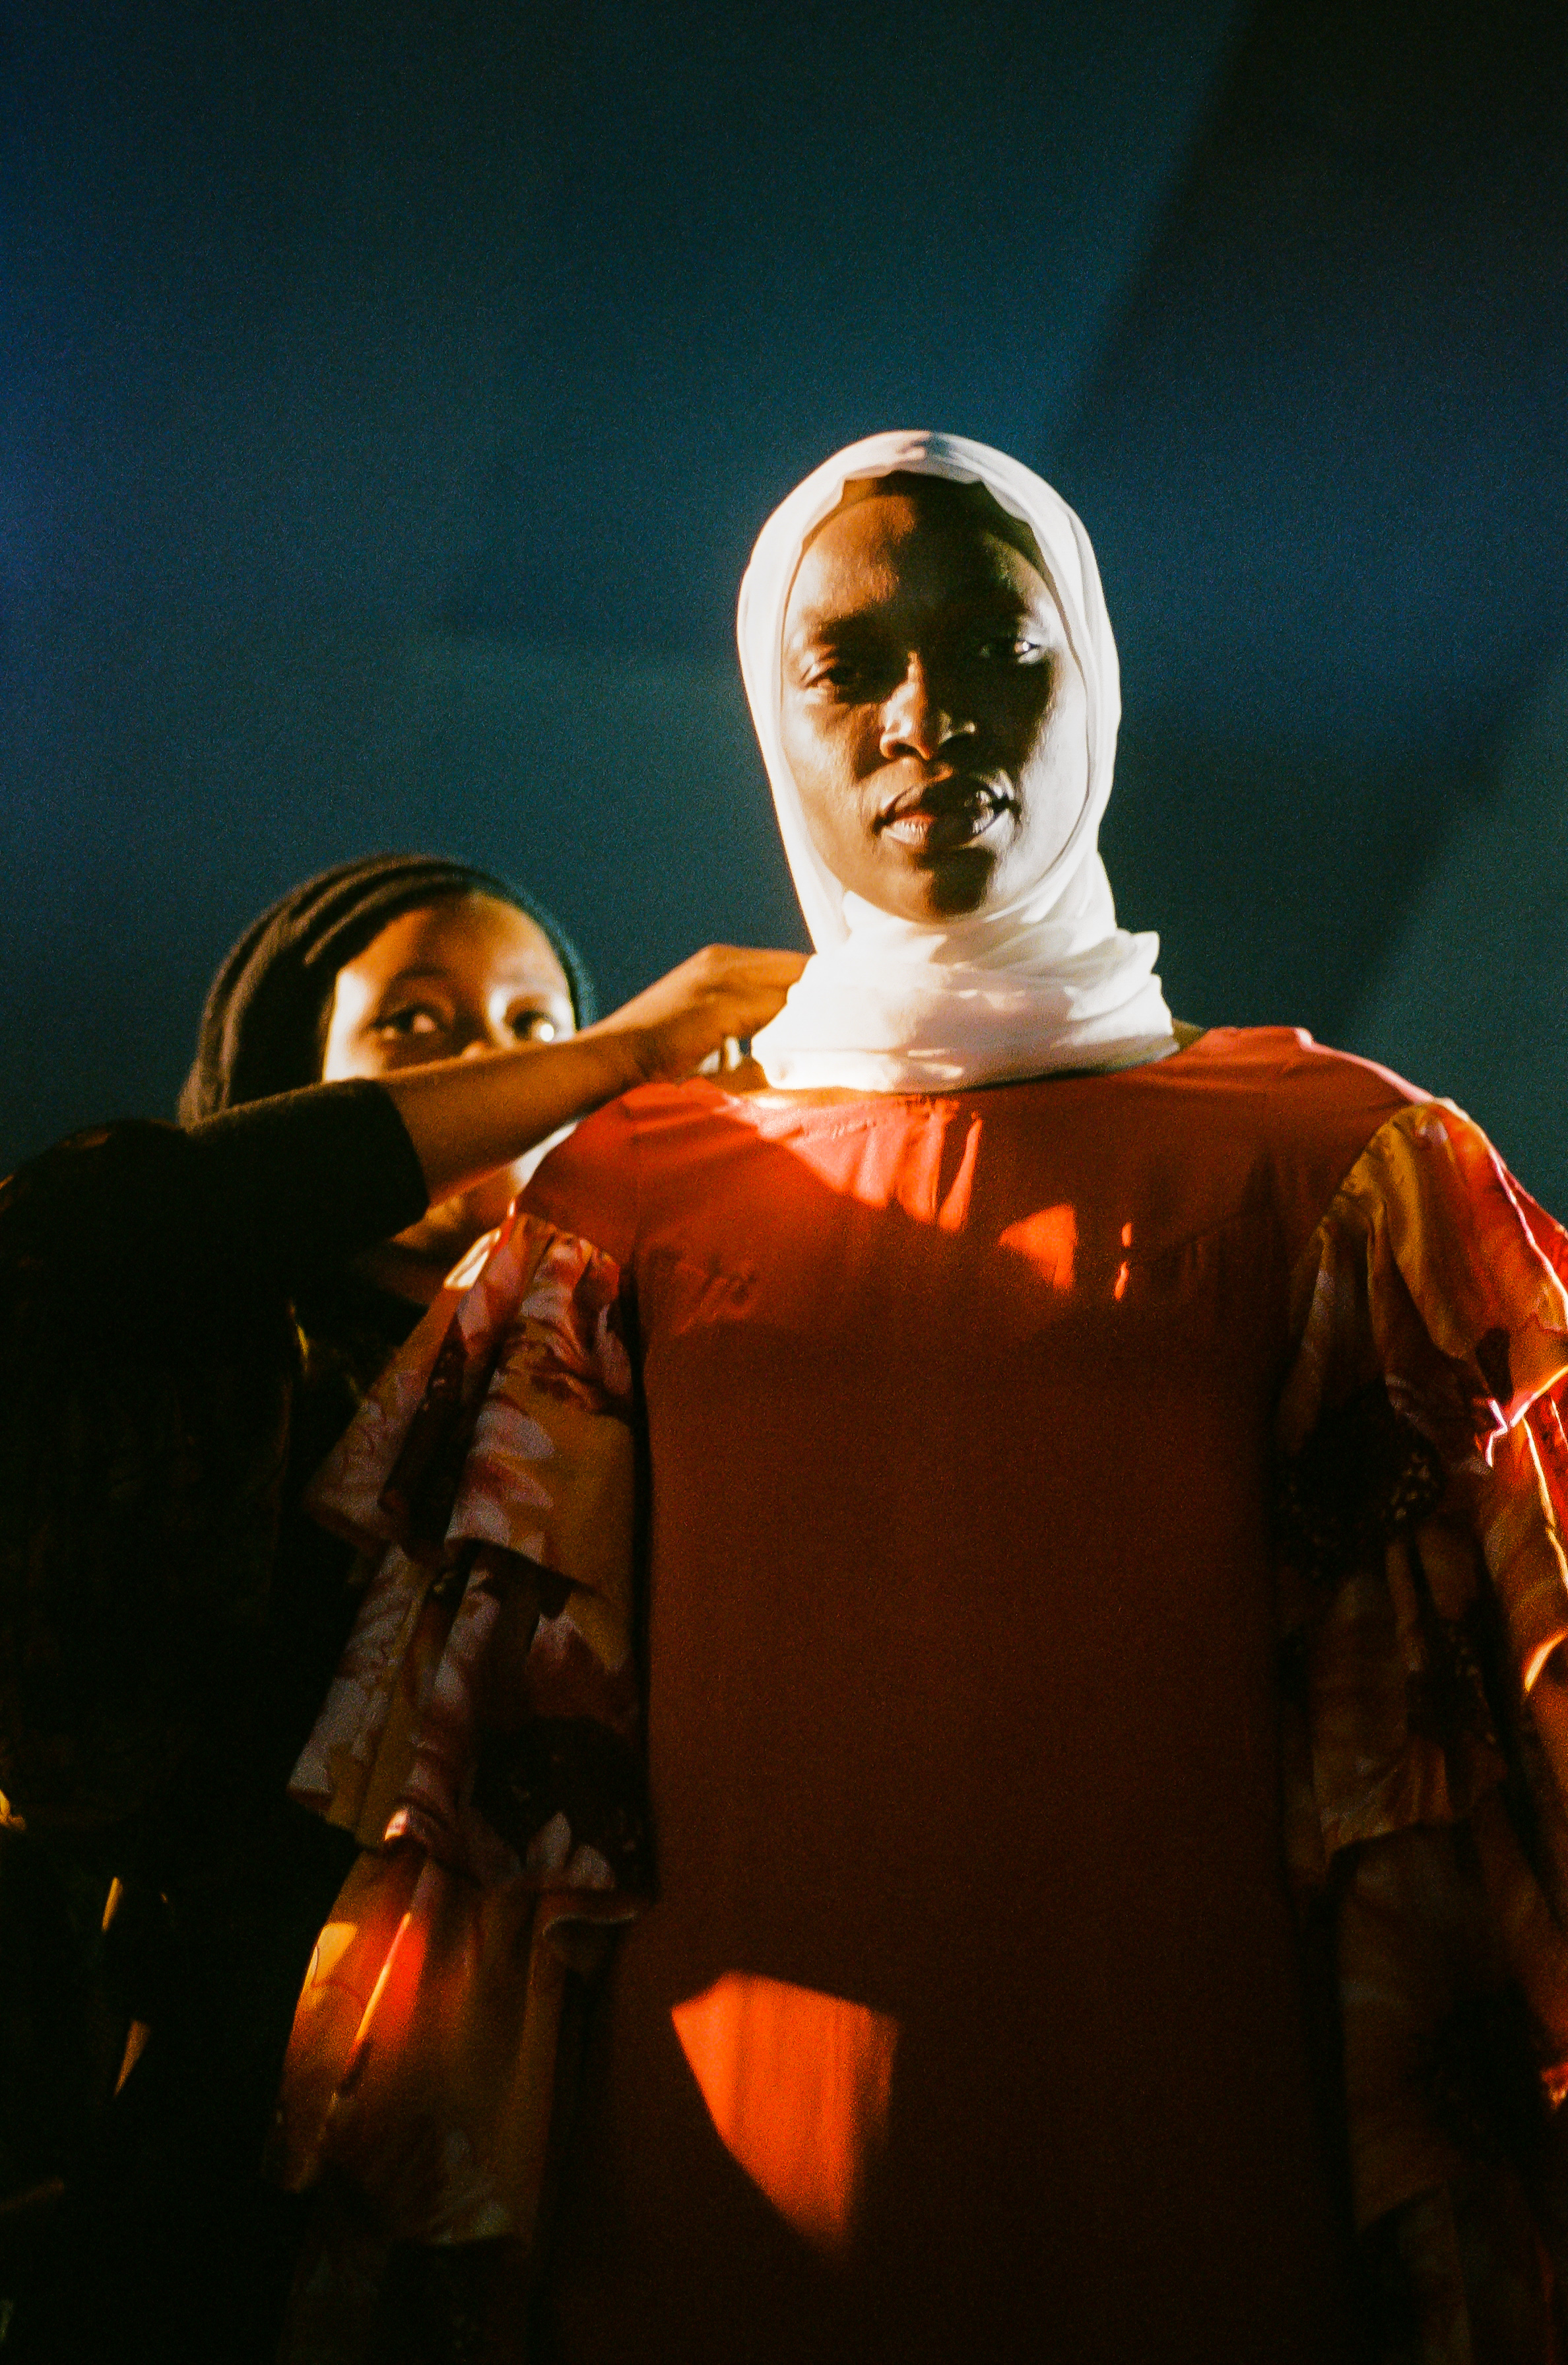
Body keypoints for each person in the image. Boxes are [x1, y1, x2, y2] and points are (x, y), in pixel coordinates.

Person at [278, 444, 1568, 2364]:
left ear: (1093, 677)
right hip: (718, 2159)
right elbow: (479, 1805)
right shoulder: (625, 1201)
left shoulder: (1339, 1165)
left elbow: (1488, 1741)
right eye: (849, 664)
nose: (925, 713)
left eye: (993, 645)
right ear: (770, 717)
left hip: (1196, 2134)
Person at [0, 851, 800, 2364]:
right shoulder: (201, 1374)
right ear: (291, 1081)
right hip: (213, 2204)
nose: (504, 1064)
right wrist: (623, 1046)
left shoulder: (620, 1397)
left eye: (533, 1025)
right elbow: (86, 1222)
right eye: (419, 1028)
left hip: (588, 2189)